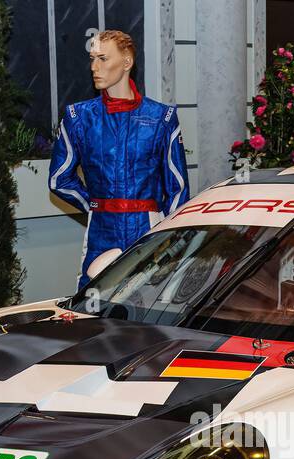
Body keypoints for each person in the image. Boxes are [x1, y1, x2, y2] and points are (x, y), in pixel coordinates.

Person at [48, 29, 190, 287]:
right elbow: (59, 179)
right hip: (102, 232)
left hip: (149, 231)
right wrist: (95, 207)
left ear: (127, 62)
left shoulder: (162, 118)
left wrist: (168, 237)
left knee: (151, 308)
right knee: (94, 308)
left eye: (103, 59)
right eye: (92, 58)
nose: (94, 67)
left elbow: (178, 190)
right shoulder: (78, 117)